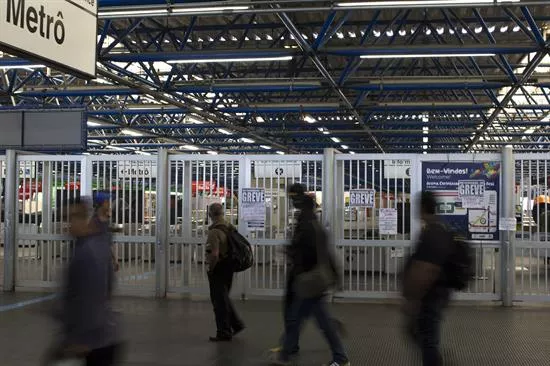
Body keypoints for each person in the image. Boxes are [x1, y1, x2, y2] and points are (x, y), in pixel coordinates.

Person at [271, 184, 350, 366]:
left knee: (305, 319)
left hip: (309, 280)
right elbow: (326, 253)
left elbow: (307, 252)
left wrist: (290, 251)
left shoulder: (306, 226)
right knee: (301, 318)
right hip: (314, 280)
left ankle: (340, 357)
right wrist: (336, 276)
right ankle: (285, 353)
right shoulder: (316, 225)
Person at [44, 198, 123, 366]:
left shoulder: (88, 252)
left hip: (93, 340)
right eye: (65, 219)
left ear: (85, 219)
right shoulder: (87, 246)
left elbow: (94, 296)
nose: (67, 225)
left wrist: (81, 339)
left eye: (71, 218)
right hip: (96, 335)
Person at [402, 191, 454, 366]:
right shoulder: (440, 228)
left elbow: (427, 269)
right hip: (437, 294)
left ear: (423, 208)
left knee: (427, 339)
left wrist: (413, 298)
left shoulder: (432, 233)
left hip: (430, 296)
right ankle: (436, 360)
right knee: (424, 336)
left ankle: (435, 361)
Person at [206, 202, 245, 342]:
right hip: (229, 267)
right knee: (224, 298)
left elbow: (215, 254)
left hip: (219, 268)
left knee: (219, 301)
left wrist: (211, 268)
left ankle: (223, 331)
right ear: (222, 213)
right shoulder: (229, 226)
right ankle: (236, 324)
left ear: (210, 214)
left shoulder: (214, 231)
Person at [92, 191, 120, 273]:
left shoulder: (105, 221)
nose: (109, 204)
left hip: (105, 261)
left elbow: (107, 243)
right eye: (108, 202)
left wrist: (114, 260)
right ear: (103, 203)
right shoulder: (95, 221)